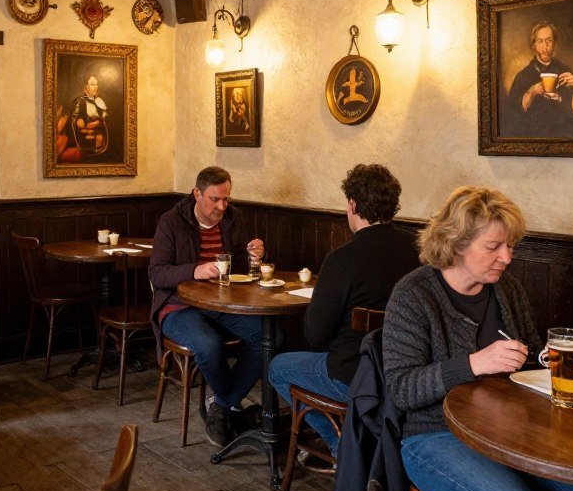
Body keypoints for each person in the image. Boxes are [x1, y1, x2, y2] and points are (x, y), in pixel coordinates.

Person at [383, 187, 573, 491]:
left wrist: (549, 360)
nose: (507, 258)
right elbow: (402, 389)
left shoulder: (506, 289)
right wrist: (474, 363)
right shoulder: (413, 295)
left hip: (509, 431)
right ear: (456, 243)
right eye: (493, 246)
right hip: (436, 435)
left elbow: (526, 350)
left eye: (510, 246)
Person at [269, 164, 419, 467]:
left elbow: (316, 335)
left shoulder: (342, 260)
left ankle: (344, 449)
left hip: (353, 374)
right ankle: (360, 444)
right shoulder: (419, 248)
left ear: (352, 205)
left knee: (277, 367)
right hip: (409, 373)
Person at [149, 166, 266, 447]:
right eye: (215, 199)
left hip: (223, 303)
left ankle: (222, 405)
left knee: (269, 338)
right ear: (196, 194)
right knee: (209, 344)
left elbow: (237, 266)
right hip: (178, 306)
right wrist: (195, 270)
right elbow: (157, 273)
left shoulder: (233, 219)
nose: (222, 206)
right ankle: (231, 407)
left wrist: (255, 257)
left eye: (226, 199)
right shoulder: (171, 222)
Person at [504, 22, 573, 137]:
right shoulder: (523, 76)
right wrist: (532, 92)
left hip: (562, 136)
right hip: (533, 136)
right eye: (540, 41)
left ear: (554, 43)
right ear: (534, 45)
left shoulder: (565, 71)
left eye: (549, 40)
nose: (545, 46)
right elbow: (513, 116)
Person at [57, 74, 109, 163]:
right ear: (85, 87)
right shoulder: (80, 102)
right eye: (92, 84)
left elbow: (106, 120)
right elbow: (74, 125)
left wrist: (101, 123)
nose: (95, 87)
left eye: (96, 84)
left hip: (101, 146)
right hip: (85, 145)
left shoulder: (100, 102)